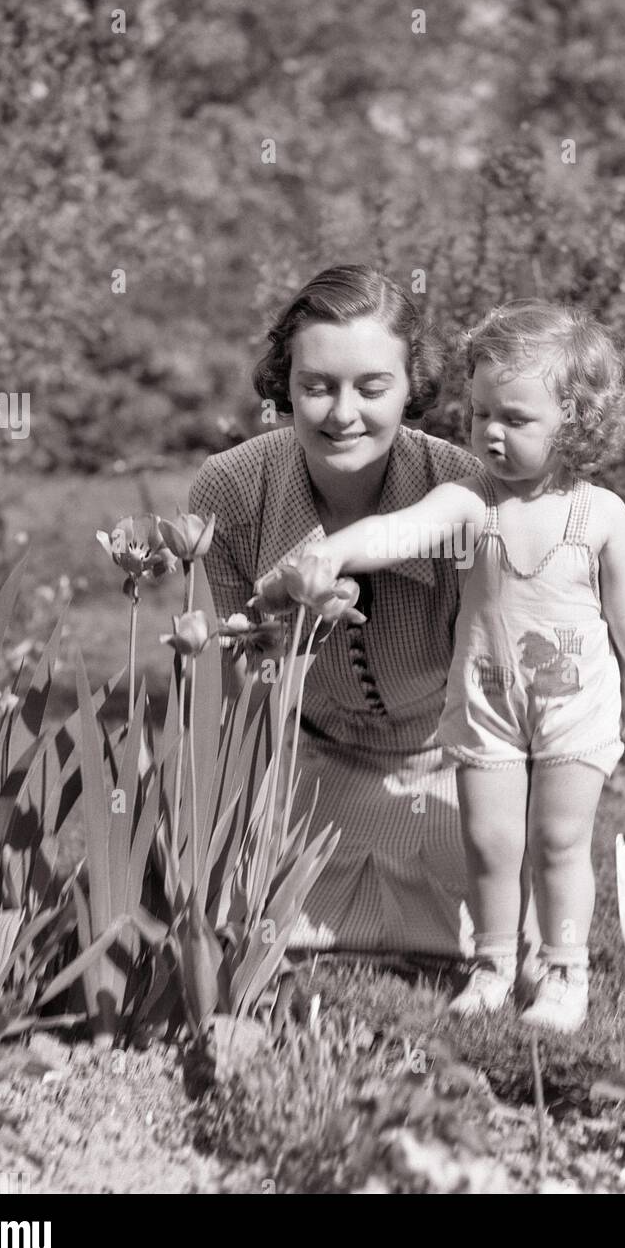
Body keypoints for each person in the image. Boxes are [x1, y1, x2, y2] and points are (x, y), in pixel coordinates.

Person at [255, 300, 625, 1032]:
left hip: (574, 705)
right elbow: (399, 530)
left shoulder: (600, 513)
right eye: (481, 415)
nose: (490, 433)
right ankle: (491, 965)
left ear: (573, 423)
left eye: (515, 419)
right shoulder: (468, 498)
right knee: (491, 841)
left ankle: (564, 973)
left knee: (559, 839)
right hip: (485, 702)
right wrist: (332, 551)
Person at [190, 264, 501, 959]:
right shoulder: (231, 490)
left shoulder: (461, 489)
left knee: (496, 924)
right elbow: (237, 695)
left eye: (371, 387)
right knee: (242, 920)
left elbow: (500, 689)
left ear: (410, 382)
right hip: (310, 759)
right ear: (284, 383)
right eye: (316, 386)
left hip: (451, 765)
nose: (342, 413)